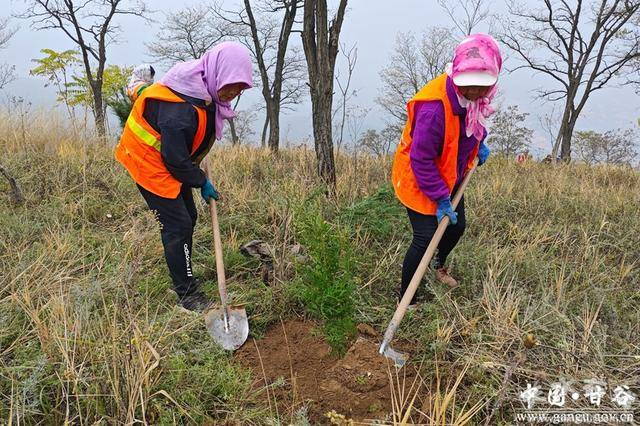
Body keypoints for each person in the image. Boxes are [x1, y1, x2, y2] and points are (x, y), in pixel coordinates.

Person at [115, 42, 253, 312]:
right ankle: (187, 294)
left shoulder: (202, 83)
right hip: (148, 160)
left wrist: (197, 174)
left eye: (241, 86)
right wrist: (201, 180)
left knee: (189, 217)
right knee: (178, 224)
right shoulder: (179, 113)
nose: (235, 91)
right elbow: (175, 160)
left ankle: (137, 85)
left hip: (172, 157)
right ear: (218, 73)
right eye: (231, 84)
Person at [391, 33, 502, 308]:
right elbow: (421, 160)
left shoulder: (472, 95)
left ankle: (438, 266)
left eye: (481, 86)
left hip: (450, 173)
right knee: (425, 237)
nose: (475, 92)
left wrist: (478, 144)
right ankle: (408, 299)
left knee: (456, 226)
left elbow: (468, 126)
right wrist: (441, 198)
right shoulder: (433, 109)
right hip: (421, 178)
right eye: (469, 86)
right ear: (457, 76)